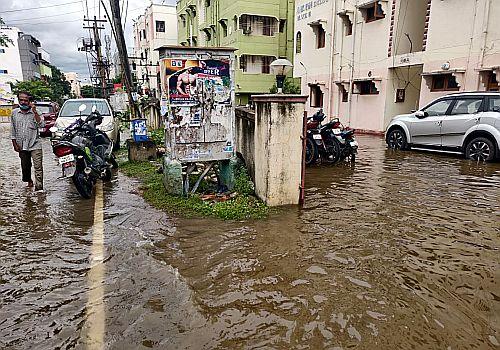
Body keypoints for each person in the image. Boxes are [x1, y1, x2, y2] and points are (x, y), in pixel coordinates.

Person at [10, 91, 45, 192]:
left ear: (30, 101)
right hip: (21, 145)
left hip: (35, 144)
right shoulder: (14, 113)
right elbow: (12, 129)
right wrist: (14, 143)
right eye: (21, 100)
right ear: (19, 100)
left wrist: (34, 112)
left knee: (38, 167)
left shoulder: (36, 112)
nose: (24, 102)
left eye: (26, 100)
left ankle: (39, 188)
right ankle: (29, 180)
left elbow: (42, 125)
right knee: (25, 167)